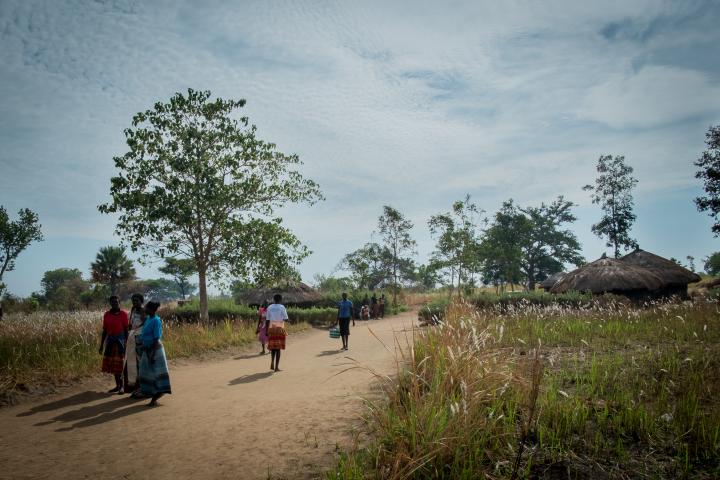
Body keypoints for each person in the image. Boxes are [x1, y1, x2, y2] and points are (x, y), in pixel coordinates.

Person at [138, 301, 172, 406]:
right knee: (145, 373)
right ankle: (151, 394)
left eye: (146, 308)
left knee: (158, 374)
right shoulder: (148, 319)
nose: (145, 309)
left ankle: (155, 397)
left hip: (155, 350)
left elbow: (156, 338)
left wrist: (152, 354)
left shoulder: (156, 320)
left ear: (151, 310)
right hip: (147, 349)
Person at [99, 295, 129, 394]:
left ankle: (122, 386)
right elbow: (105, 330)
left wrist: (127, 343)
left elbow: (126, 330)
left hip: (120, 342)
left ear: (119, 302)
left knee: (121, 365)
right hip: (111, 342)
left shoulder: (123, 314)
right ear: (110, 303)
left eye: (116, 302)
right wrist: (101, 345)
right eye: (112, 302)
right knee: (114, 366)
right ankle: (118, 386)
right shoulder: (107, 314)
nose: (114, 303)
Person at [124, 293, 145, 396]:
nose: (135, 302)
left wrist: (135, 330)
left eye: (137, 300)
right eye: (133, 300)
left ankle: (142, 388)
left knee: (140, 363)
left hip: (140, 338)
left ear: (141, 301)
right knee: (133, 363)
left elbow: (145, 323)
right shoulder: (133, 309)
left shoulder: (143, 310)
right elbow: (130, 323)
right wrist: (129, 329)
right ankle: (136, 387)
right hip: (132, 337)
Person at [265, 294, 288, 372]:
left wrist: (266, 331)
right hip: (279, 328)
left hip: (271, 328)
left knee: (273, 347)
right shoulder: (282, 307)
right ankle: (276, 367)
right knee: (278, 348)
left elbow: (267, 320)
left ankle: (272, 362)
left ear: (274, 299)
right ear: (280, 299)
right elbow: (286, 318)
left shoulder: (270, 307)